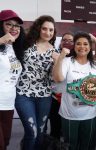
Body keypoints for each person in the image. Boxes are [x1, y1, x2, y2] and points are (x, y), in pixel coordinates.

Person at [52, 31, 96, 150]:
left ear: (90, 48)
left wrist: (94, 39)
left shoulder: (95, 66)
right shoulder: (67, 62)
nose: (82, 47)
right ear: (74, 46)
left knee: (88, 146)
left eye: (85, 44)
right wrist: (61, 57)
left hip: (90, 115)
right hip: (69, 115)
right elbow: (58, 78)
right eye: (78, 43)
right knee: (70, 146)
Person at [15, 15, 58, 150]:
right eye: (44, 29)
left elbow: (54, 78)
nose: (48, 32)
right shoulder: (25, 42)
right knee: (32, 132)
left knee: (40, 133)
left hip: (44, 96)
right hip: (23, 94)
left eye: (51, 30)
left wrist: (58, 61)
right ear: (38, 28)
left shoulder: (54, 51)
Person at [0, 9, 25, 150]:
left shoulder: (15, 49)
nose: (13, 28)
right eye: (8, 24)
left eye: (16, 26)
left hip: (8, 104)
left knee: (6, 141)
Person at [46, 32, 74, 140]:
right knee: (55, 130)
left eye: (70, 40)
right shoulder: (54, 54)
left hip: (71, 100)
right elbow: (52, 76)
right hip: (55, 98)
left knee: (69, 131)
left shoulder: (77, 58)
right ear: (60, 42)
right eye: (64, 40)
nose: (67, 42)